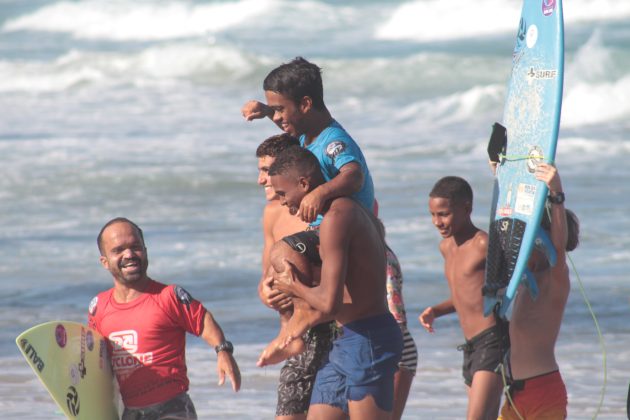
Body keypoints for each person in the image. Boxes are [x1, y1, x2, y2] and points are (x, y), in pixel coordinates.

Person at [268, 146, 403, 419]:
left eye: (283, 193)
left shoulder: (337, 219)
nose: (281, 202)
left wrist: (293, 286)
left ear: (304, 184)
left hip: (369, 341)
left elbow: (329, 303)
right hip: (344, 340)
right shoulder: (346, 211)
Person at [88, 218, 240, 419]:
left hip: (172, 408)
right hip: (130, 412)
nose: (129, 254)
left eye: (136, 247)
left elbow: (203, 321)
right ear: (105, 262)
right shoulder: (99, 307)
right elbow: (94, 358)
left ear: (145, 250)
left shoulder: (169, 296)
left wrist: (223, 351)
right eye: (118, 250)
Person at [255, 134, 334, 420]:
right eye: (261, 171)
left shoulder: (317, 209)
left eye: (267, 170)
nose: (262, 180)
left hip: (327, 327)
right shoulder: (271, 213)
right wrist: (267, 291)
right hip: (291, 339)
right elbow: (265, 276)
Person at [242, 56, 374, 225]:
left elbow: (354, 175)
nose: (276, 117)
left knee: (283, 250)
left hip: (349, 228)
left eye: (279, 109)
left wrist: (319, 193)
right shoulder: (306, 134)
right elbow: (287, 124)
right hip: (324, 226)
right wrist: (266, 111)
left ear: (305, 104)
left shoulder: (334, 142)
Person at [419, 176, 508, 420]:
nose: (437, 222)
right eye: (433, 215)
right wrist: (436, 310)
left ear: (467, 208)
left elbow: (511, 285)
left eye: (444, 214)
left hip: (492, 340)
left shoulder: (484, 244)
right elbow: (465, 295)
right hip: (470, 346)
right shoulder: (445, 247)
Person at [498, 163, 579, 420]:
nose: (522, 249)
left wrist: (556, 193)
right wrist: (502, 174)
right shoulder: (525, 282)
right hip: (514, 394)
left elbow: (558, 242)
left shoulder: (556, 279)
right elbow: (508, 220)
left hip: (543, 393)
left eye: (530, 242)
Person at [373, 201, 418, 420]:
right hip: (389, 345)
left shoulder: (382, 257)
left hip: (396, 348)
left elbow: (396, 313)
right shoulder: (379, 253)